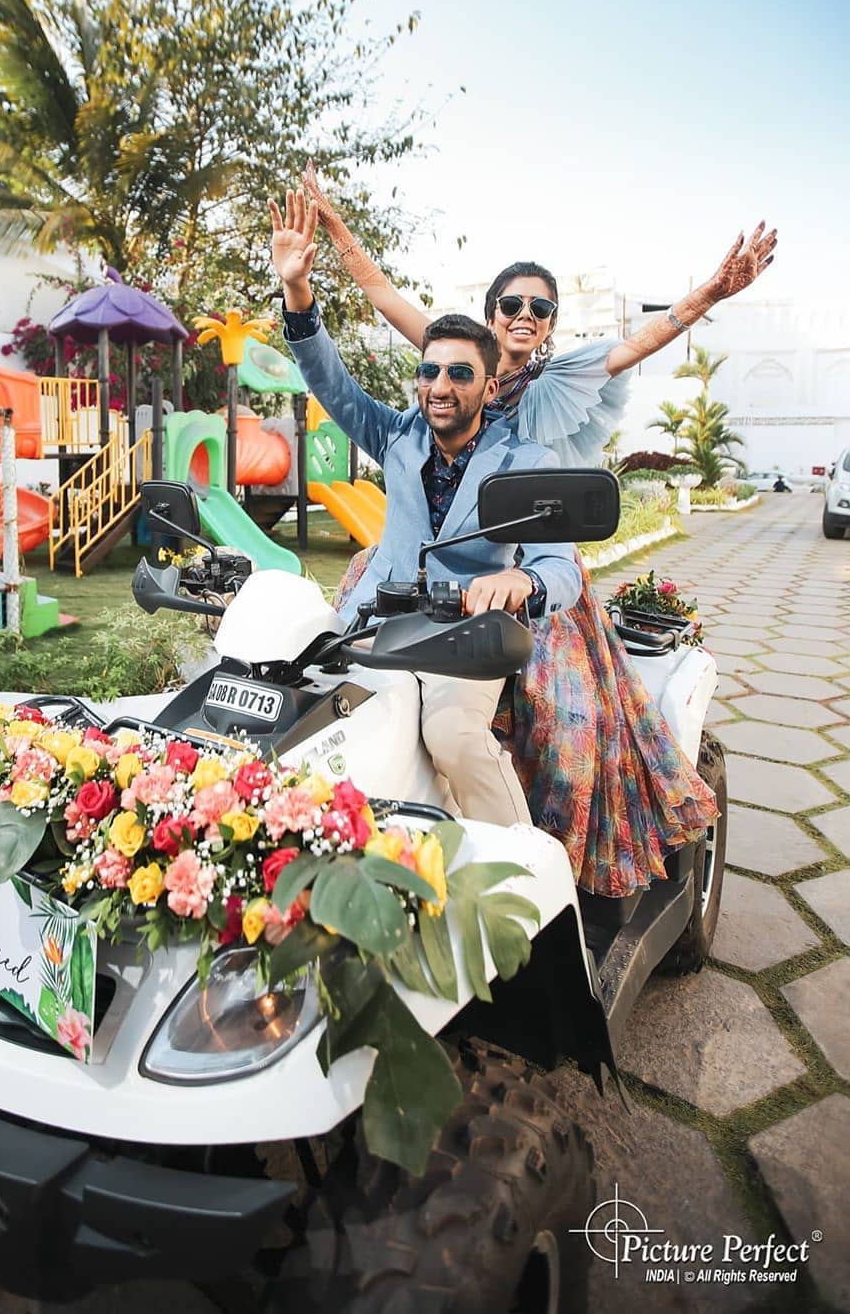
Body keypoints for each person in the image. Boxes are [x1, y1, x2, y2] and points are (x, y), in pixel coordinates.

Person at [304, 166, 777, 896]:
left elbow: (642, 343)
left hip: (513, 578)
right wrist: (328, 239)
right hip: (410, 587)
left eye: (540, 307)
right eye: (510, 303)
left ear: (546, 328)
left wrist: (710, 293)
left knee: (566, 729)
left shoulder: (545, 413)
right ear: (487, 317)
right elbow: (372, 313)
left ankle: (532, 881)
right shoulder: (441, 373)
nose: (524, 314)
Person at [269, 188, 579, 829]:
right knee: (286, 711)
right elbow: (331, 381)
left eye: (459, 375)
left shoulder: (526, 462)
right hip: (368, 627)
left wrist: (521, 579)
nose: (440, 387)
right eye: (429, 371)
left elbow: (561, 566)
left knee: (455, 740)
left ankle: (525, 873)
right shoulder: (398, 434)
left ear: (489, 387)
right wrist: (298, 291)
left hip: (458, 644)